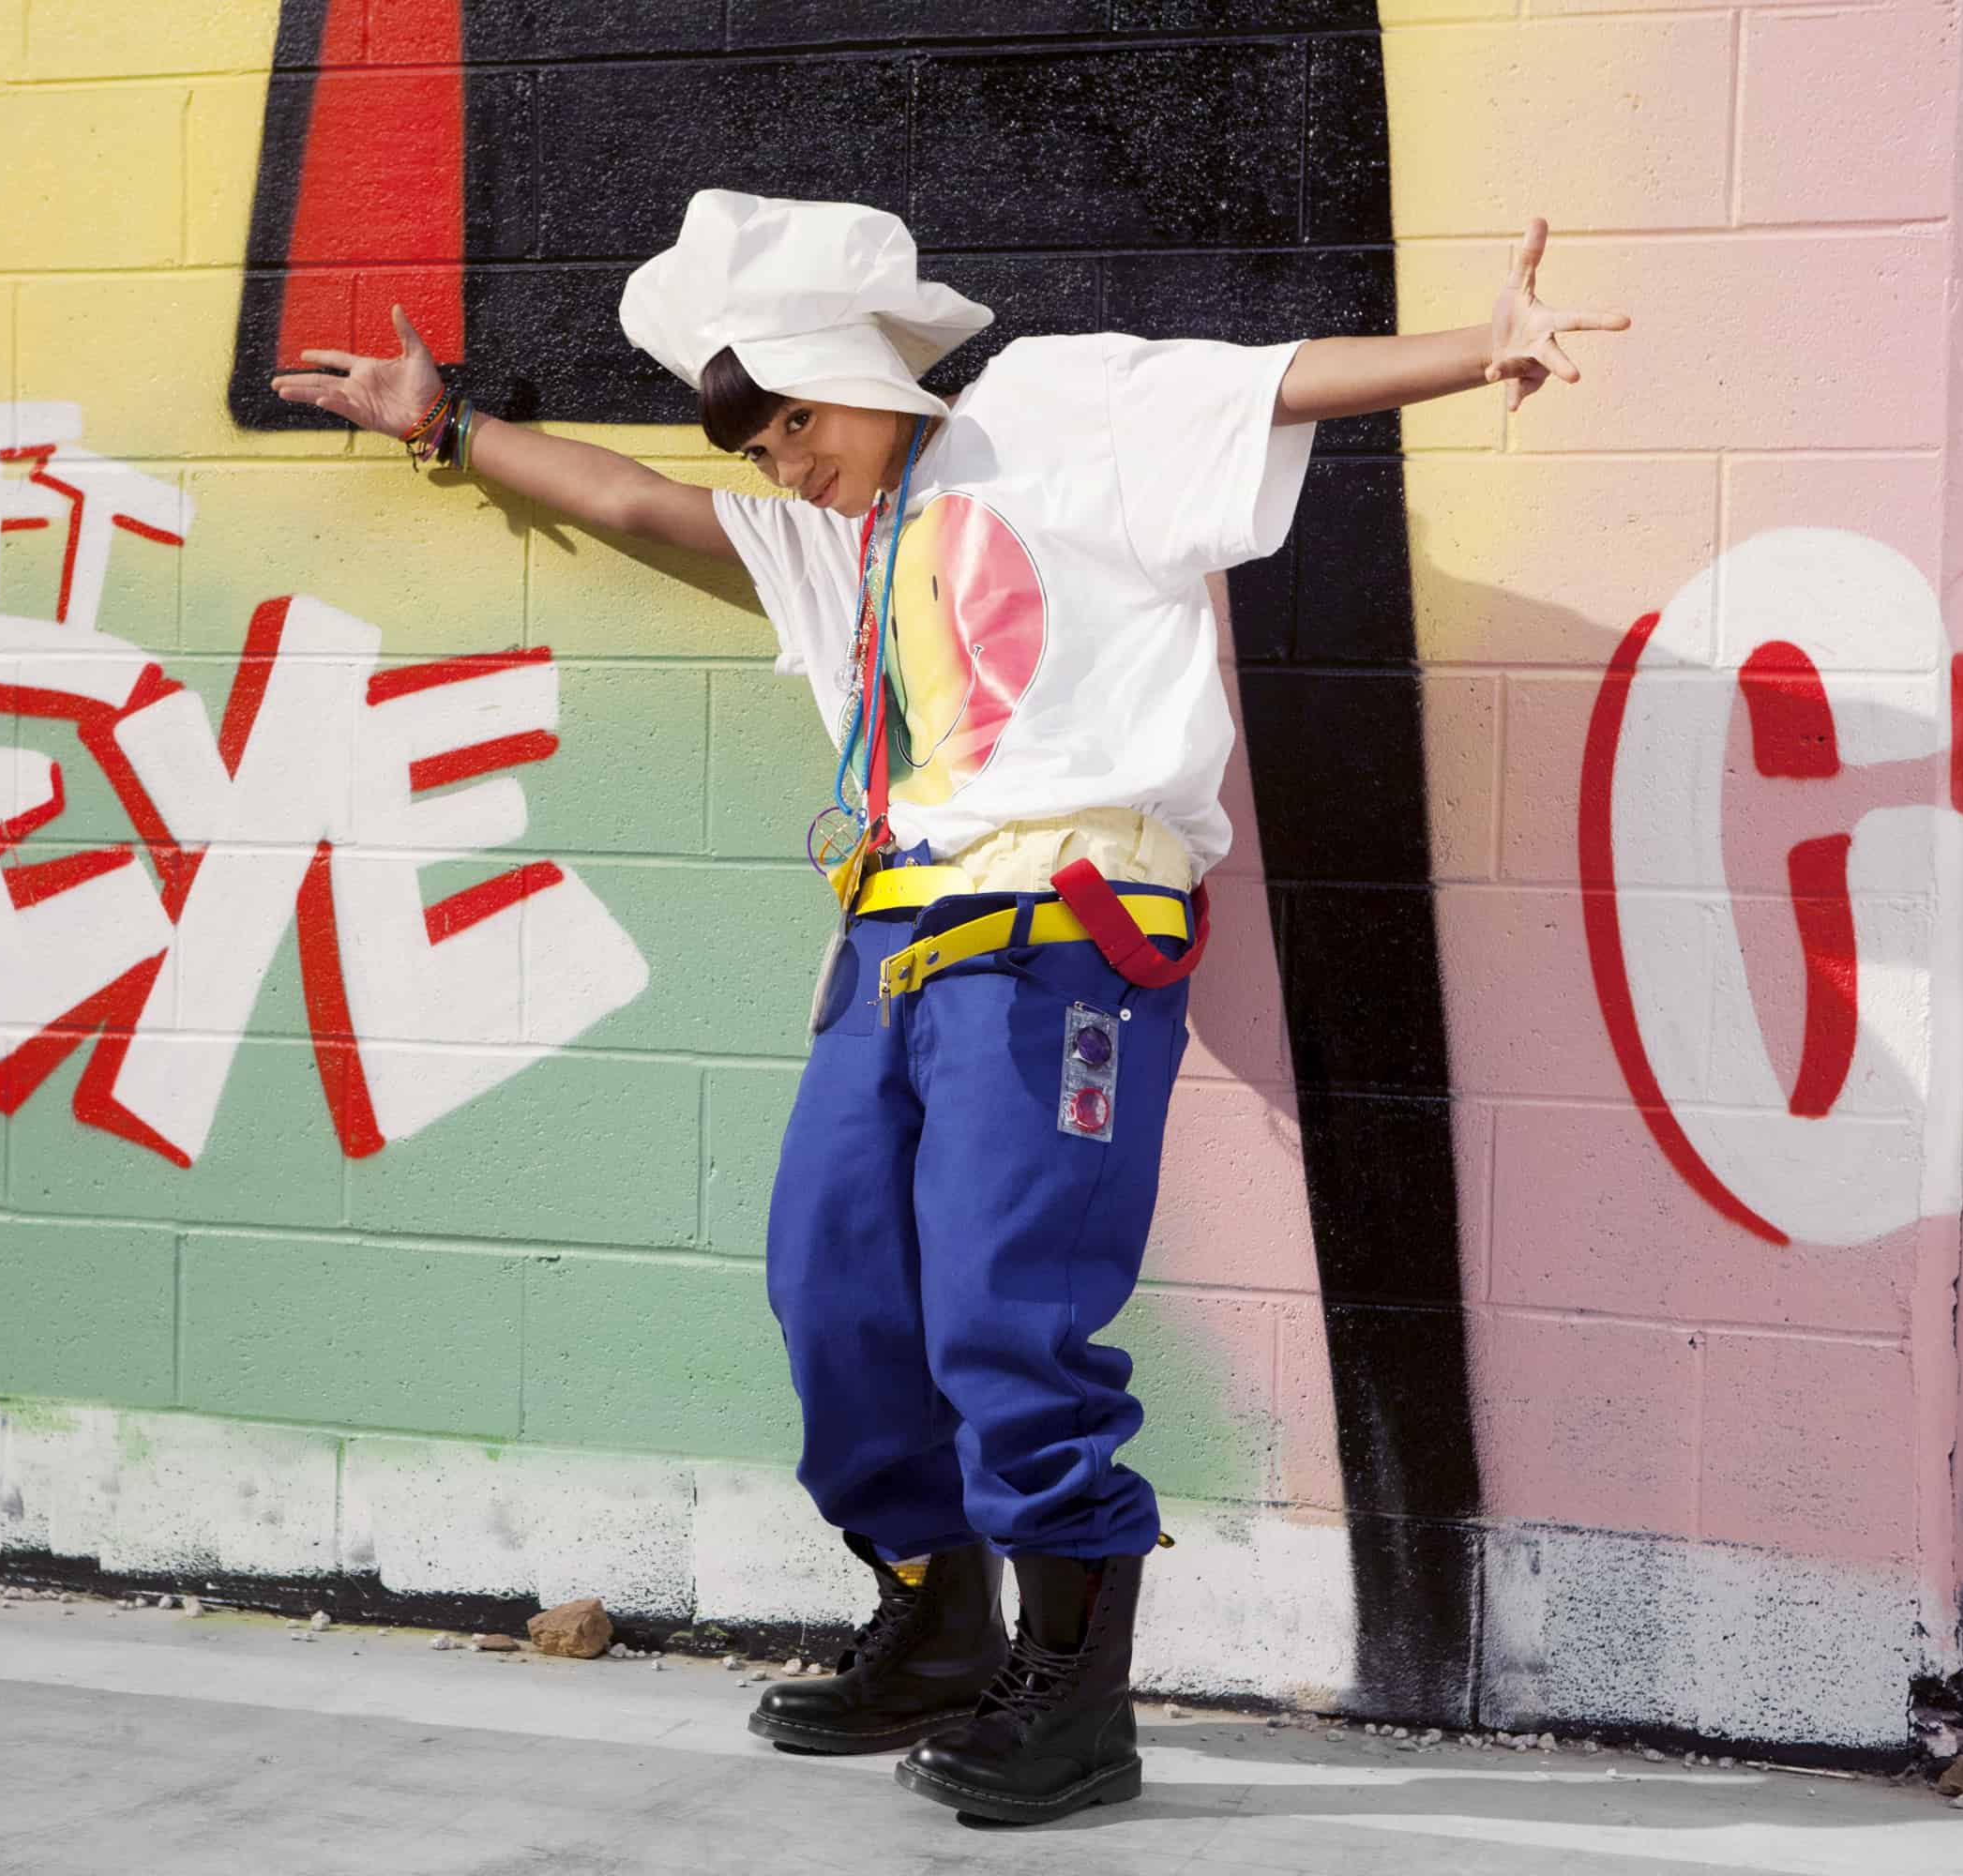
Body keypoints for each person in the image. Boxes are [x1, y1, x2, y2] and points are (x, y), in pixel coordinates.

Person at [273, 189, 1625, 1826]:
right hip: (889, 943)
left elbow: (1270, 382)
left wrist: (1481, 348)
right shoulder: (837, 543)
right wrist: (446, 427)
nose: (782, 460)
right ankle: (934, 1621)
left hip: (1061, 937)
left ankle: (1074, 1700)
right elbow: (635, 500)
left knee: (1004, 1307)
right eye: (756, 442)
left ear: (857, 371)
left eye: (796, 420)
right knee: (831, 1287)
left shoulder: (1052, 415)